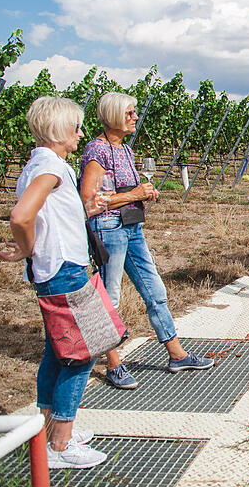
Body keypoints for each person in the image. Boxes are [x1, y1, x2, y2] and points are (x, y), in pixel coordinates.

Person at [0, 96, 108, 469]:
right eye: (76, 126)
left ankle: (48, 427)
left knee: (55, 352)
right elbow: (21, 216)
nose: (81, 133)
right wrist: (26, 248)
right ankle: (61, 442)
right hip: (65, 271)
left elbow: (43, 216)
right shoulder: (52, 167)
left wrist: (82, 211)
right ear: (59, 130)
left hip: (53, 270)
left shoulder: (38, 164)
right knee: (81, 353)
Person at [80, 92, 213, 390]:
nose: (135, 117)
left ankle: (176, 353)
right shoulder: (96, 151)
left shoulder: (125, 149)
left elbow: (127, 189)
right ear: (113, 115)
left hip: (131, 227)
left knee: (154, 289)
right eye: (129, 113)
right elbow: (88, 200)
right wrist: (134, 195)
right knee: (109, 297)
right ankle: (113, 363)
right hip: (108, 228)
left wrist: (144, 192)